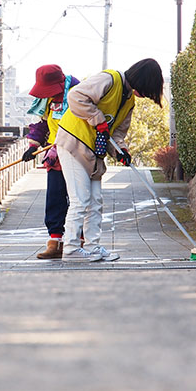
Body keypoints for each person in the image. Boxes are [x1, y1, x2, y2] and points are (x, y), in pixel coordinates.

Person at [55, 58, 164, 262]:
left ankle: (92, 247)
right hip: (73, 142)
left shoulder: (129, 101)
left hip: (95, 152)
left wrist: (121, 151)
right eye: (147, 89)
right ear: (141, 79)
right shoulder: (109, 79)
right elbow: (75, 96)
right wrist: (97, 119)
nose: (145, 95)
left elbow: (117, 134)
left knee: (95, 202)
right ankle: (70, 248)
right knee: (80, 199)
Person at [22, 64, 80, 259]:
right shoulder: (46, 100)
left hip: (76, 153)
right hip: (55, 155)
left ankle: (78, 241)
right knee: (55, 198)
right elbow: (43, 123)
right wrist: (33, 145)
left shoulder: (78, 93)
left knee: (77, 199)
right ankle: (54, 242)